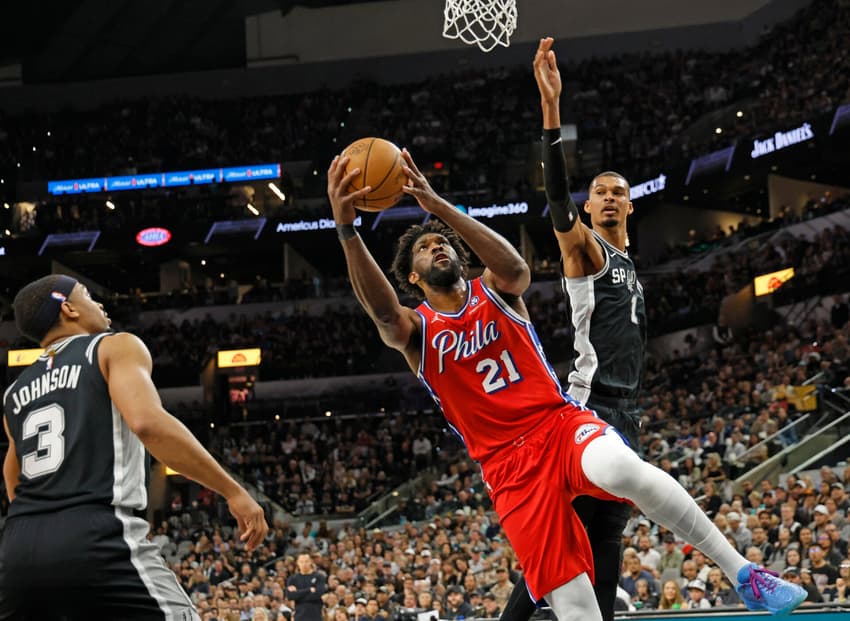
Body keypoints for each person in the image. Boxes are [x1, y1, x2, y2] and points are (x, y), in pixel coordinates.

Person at [326, 146, 805, 621]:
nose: (440, 247)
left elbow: (517, 268)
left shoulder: (495, 290)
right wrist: (347, 230)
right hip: (508, 470)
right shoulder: (417, 330)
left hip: (556, 424)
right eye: (428, 249)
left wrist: (438, 206)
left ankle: (744, 574)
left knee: (622, 470)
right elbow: (385, 314)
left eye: (445, 243)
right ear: (413, 275)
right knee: (577, 608)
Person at [1, 275, 269, 620]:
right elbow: (147, 423)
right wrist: (233, 491)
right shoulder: (113, 346)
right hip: (95, 533)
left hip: (18, 547)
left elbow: (13, 478)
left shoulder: (14, 392)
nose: (99, 304)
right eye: (88, 296)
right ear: (67, 308)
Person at [501, 35, 647, 621]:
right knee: (565, 546)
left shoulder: (632, 263)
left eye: (619, 193)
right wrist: (552, 110)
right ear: (590, 209)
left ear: (631, 208)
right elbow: (557, 199)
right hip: (591, 409)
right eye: (601, 193)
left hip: (629, 412)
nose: (609, 199)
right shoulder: (584, 252)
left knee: (606, 536)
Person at [286, 553, 327, 621]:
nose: (304, 564)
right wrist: (309, 590)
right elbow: (290, 596)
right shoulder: (293, 579)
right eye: (301, 562)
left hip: (315, 616)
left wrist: (298, 593)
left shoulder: (319, 577)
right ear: (297, 563)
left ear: (311, 562)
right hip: (299, 616)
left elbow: (317, 594)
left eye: (306, 561)